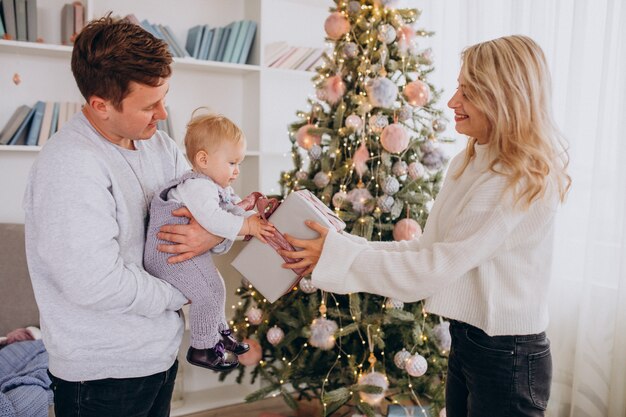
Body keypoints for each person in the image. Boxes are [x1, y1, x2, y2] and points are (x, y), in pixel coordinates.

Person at [279, 35, 571, 417]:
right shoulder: (469, 162)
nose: (452, 101)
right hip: (469, 341)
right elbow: (423, 249)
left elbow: (430, 269)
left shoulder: (512, 180)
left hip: (507, 357)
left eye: (468, 91)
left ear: (503, 99)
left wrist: (335, 253)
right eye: (457, 87)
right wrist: (338, 245)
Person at [23, 16, 222, 417]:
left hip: (159, 358)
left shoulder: (160, 146)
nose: (163, 114)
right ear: (100, 105)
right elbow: (94, 283)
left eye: (164, 97)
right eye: (150, 105)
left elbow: (201, 216)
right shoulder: (70, 165)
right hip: (101, 377)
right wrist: (181, 295)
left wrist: (215, 236)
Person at [144, 112, 274, 371]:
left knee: (217, 287)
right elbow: (215, 219)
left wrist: (251, 216)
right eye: (232, 163)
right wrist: (247, 225)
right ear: (203, 159)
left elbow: (231, 211)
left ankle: (219, 335)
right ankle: (201, 347)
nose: (237, 171)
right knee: (205, 293)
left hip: (187, 253)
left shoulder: (216, 187)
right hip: (169, 255)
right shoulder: (197, 187)